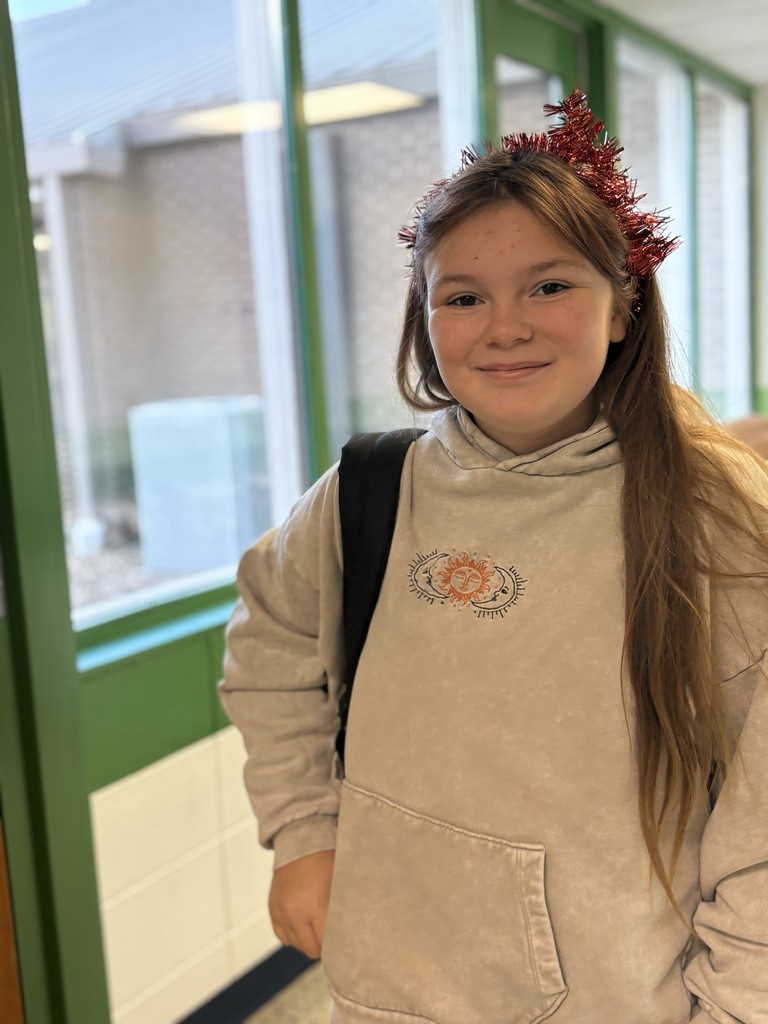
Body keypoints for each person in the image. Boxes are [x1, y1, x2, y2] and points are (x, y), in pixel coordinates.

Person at [219, 90, 768, 1023]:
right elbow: (268, 640)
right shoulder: (371, 490)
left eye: (550, 286)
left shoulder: (719, 520)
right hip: (386, 980)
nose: (504, 326)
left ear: (624, 306)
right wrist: (306, 834)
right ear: (426, 320)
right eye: (463, 297)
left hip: (623, 997)